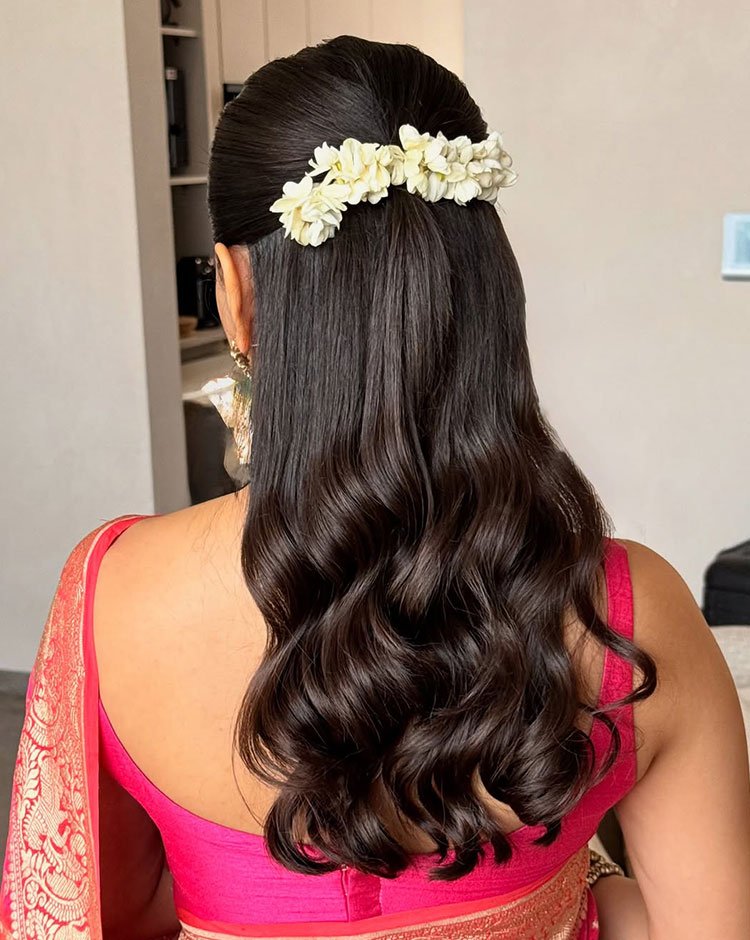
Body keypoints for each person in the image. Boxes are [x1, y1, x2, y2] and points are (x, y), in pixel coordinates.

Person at [2, 35, 749, 940]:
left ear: (235, 293)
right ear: (484, 288)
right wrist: (563, 889)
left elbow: (105, 917)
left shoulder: (110, 595)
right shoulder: (634, 611)